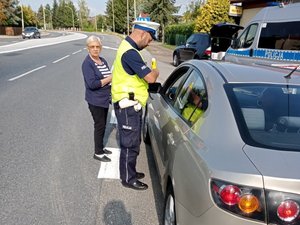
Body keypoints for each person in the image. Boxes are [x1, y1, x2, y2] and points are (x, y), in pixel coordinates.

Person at [111, 16, 160, 190]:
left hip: (131, 104)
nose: (150, 42)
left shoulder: (128, 48)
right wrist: (155, 71)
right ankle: (128, 178)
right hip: (128, 106)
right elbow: (151, 78)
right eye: (150, 38)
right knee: (129, 143)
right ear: (142, 33)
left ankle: (130, 171)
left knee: (132, 142)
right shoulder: (130, 53)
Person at [82, 35, 112, 162]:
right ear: (87, 48)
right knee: (99, 125)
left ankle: (100, 147)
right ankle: (98, 153)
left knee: (103, 124)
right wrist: (110, 78)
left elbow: (108, 76)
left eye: (97, 46)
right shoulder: (87, 63)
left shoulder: (103, 60)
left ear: (101, 48)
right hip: (95, 100)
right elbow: (92, 84)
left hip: (104, 99)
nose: (95, 49)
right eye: (92, 47)